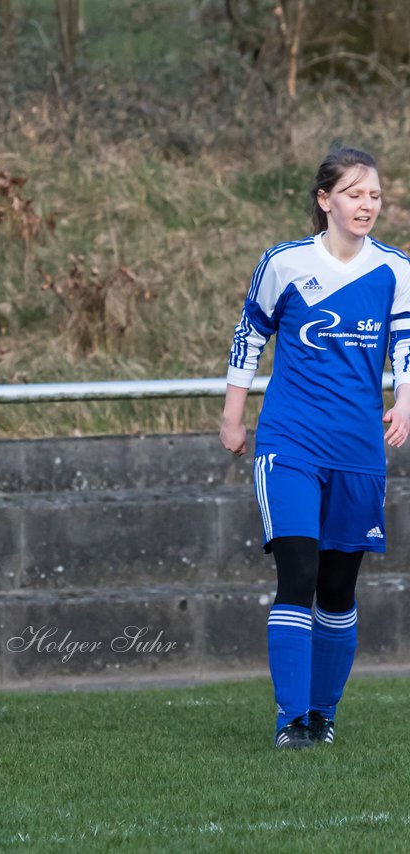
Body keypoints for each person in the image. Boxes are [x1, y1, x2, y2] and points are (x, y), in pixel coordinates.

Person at [221, 147, 410, 749]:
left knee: (337, 589)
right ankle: (291, 720)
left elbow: (406, 346)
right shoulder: (284, 263)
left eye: (374, 195)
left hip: (358, 449)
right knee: (297, 573)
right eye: (354, 193)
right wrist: (232, 415)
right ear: (324, 200)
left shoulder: (396, 270)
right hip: (289, 442)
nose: (367, 204)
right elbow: (249, 335)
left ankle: (322, 715)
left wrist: (405, 401)